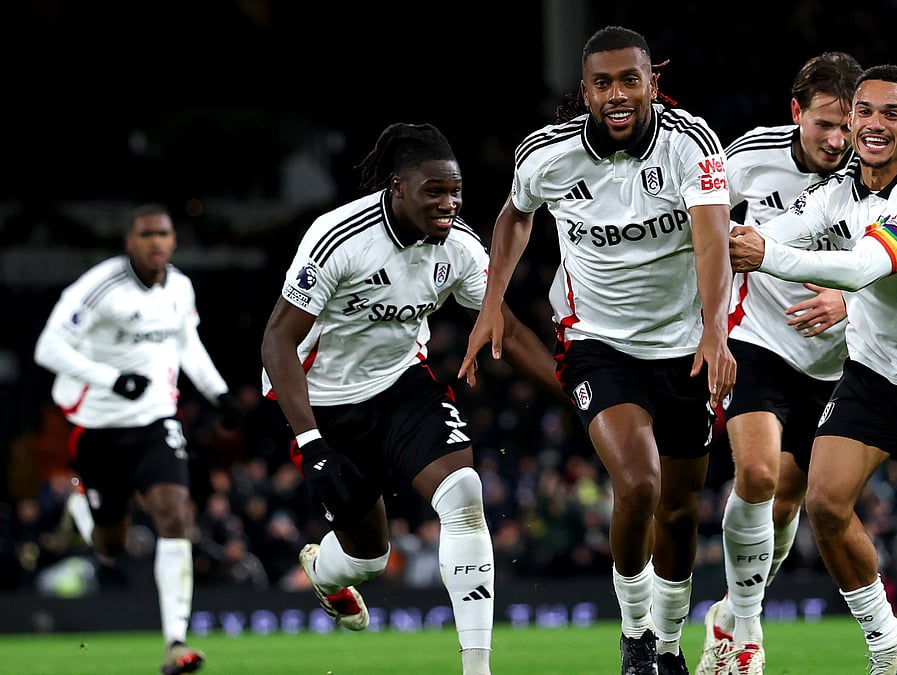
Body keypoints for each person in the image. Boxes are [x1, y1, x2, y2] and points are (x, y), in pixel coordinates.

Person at [458, 25, 736, 675]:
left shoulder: (691, 143)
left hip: (683, 347)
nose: (617, 93)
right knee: (637, 482)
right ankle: (636, 634)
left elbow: (711, 239)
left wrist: (715, 328)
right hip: (596, 344)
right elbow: (515, 213)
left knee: (678, 505)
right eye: (603, 82)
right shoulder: (547, 153)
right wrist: (492, 300)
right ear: (584, 92)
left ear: (652, 84)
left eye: (629, 80)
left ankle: (670, 645)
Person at [728, 64, 897, 675]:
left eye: (891, 115)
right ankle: (888, 650)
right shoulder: (840, 185)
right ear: (852, 121)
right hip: (876, 373)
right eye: (866, 113)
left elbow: (857, 270)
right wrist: (739, 240)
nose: (875, 125)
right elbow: (785, 228)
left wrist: (763, 253)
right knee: (824, 503)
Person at [260, 122, 559, 675]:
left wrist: (576, 396)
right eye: (434, 192)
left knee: (465, 493)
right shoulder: (339, 238)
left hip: (401, 386)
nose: (449, 204)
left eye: (456, 192)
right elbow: (276, 340)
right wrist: (311, 442)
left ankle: (477, 667)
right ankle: (326, 576)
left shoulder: (462, 249)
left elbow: (507, 331)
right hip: (323, 403)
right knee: (369, 559)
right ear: (398, 187)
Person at [697, 51, 862, 675]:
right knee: (759, 476)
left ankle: (734, 613)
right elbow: (704, 235)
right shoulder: (746, 159)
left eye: (848, 125)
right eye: (826, 123)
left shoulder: (879, 172)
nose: (839, 139)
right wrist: (707, 325)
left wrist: (846, 300)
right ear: (797, 112)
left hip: (835, 360)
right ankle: (747, 632)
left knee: (789, 502)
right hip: (757, 337)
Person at [33, 203, 245, 675]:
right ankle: (81, 511)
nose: (156, 242)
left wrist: (219, 393)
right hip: (98, 425)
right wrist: (110, 378)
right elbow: (47, 347)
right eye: (146, 234)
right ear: (129, 241)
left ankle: (175, 641)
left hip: (155, 421)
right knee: (111, 545)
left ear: (173, 241)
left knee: (175, 514)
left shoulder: (180, 288)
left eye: (164, 234)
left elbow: (186, 343)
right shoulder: (99, 286)